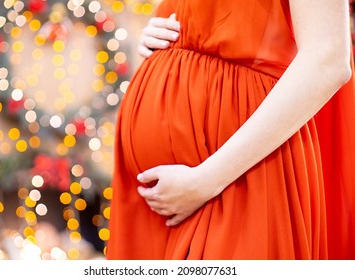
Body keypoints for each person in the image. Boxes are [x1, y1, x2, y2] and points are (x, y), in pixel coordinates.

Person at [107, 0, 355, 259]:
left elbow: (328, 58)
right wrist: (159, 31)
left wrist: (206, 180)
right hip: (155, 203)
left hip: (238, 178)